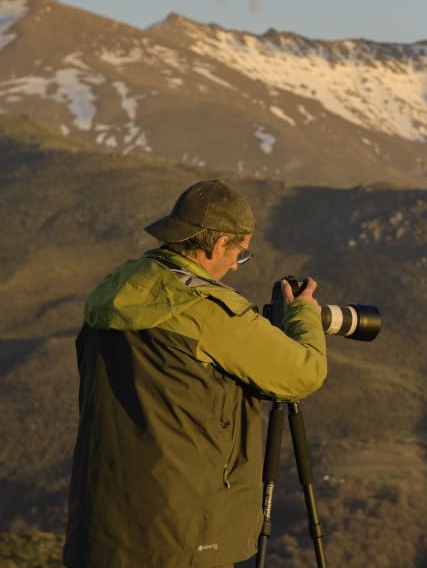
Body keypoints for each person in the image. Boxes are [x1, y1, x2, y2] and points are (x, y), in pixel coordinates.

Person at [63, 179, 328, 568]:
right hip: (183, 539)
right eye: (240, 254)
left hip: (100, 531)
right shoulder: (208, 312)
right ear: (218, 244)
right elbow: (304, 372)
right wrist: (304, 314)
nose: (236, 266)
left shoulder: (114, 292)